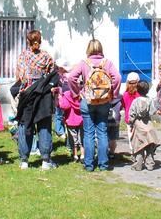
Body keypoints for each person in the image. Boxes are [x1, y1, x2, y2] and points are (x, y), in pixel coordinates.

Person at [67, 39, 121, 172]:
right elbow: (118, 78)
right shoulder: (107, 63)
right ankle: (103, 164)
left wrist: (77, 93)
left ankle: (89, 164)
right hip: (104, 102)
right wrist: (112, 94)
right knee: (102, 132)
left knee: (88, 133)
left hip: (88, 100)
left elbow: (70, 78)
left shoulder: (84, 63)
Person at [14, 30, 56, 169]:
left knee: (25, 125)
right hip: (43, 95)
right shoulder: (46, 57)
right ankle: (45, 161)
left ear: (28, 41)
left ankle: (24, 161)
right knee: (44, 126)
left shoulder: (23, 57)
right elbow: (52, 75)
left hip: (27, 95)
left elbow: (19, 78)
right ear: (40, 40)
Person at [129, 80, 158, 171]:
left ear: (137, 90)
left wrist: (131, 123)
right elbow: (153, 111)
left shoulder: (135, 101)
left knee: (139, 147)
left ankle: (138, 165)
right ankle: (150, 165)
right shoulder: (150, 100)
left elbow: (131, 114)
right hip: (148, 125)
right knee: (149, 146)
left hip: (139, 126)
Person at [58, 87, 83, 162]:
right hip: (82, 119)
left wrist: (59, 98)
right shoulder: (82, 93)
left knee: (73, 139)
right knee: (82, 138)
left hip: (71, 119)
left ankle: (75, 156)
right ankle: (83, 155)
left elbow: (64, 106)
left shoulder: (67, 94)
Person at [120, 72, 141, 148]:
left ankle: (132, 150)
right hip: (138, 118)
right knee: (139, 134)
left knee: (130, 134)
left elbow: (122, 105)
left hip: (128, 118)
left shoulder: (125, 94)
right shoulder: (139, 94)